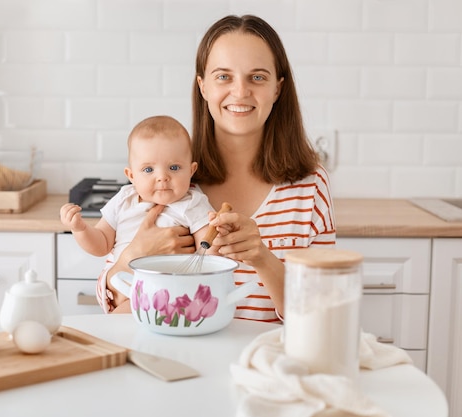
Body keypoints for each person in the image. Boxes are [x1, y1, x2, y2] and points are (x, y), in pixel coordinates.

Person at [96, 15, 336, 321]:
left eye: (257, 77)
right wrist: (133, 256)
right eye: (223, 76)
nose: (240, 92)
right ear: (203, 86)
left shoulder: (309, 186)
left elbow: (321, 312)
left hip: (265, 364)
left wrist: (261, 257)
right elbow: (113, 302)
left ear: (278, 89)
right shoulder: (168, 175)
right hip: (179, 363)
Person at [60, 115, 218, 270]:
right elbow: (101, 245)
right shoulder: (124, 199)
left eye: (174, 167)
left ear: (191, 171)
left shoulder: (193, 203)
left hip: (174, 290)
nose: (162, 177)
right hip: (125, 286)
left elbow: (208, 255)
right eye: (148, 169)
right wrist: (80, 229)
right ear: (131, 176)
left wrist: (219, 235)